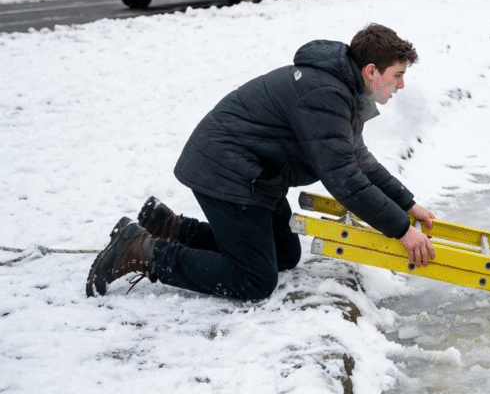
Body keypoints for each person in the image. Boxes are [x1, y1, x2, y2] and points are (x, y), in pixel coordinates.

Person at [86, 24, 437, 299]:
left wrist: (407, 205)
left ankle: (173, 228)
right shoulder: (326, 95)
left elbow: (359, 160)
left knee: (284, 255)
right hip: (227, 173)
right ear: (372, 70)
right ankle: (143, 250)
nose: (401, 85)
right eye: (398, 75)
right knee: (254, 279)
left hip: (254, 175)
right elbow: (343, 177)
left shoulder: (341, 89)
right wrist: (401, 231)